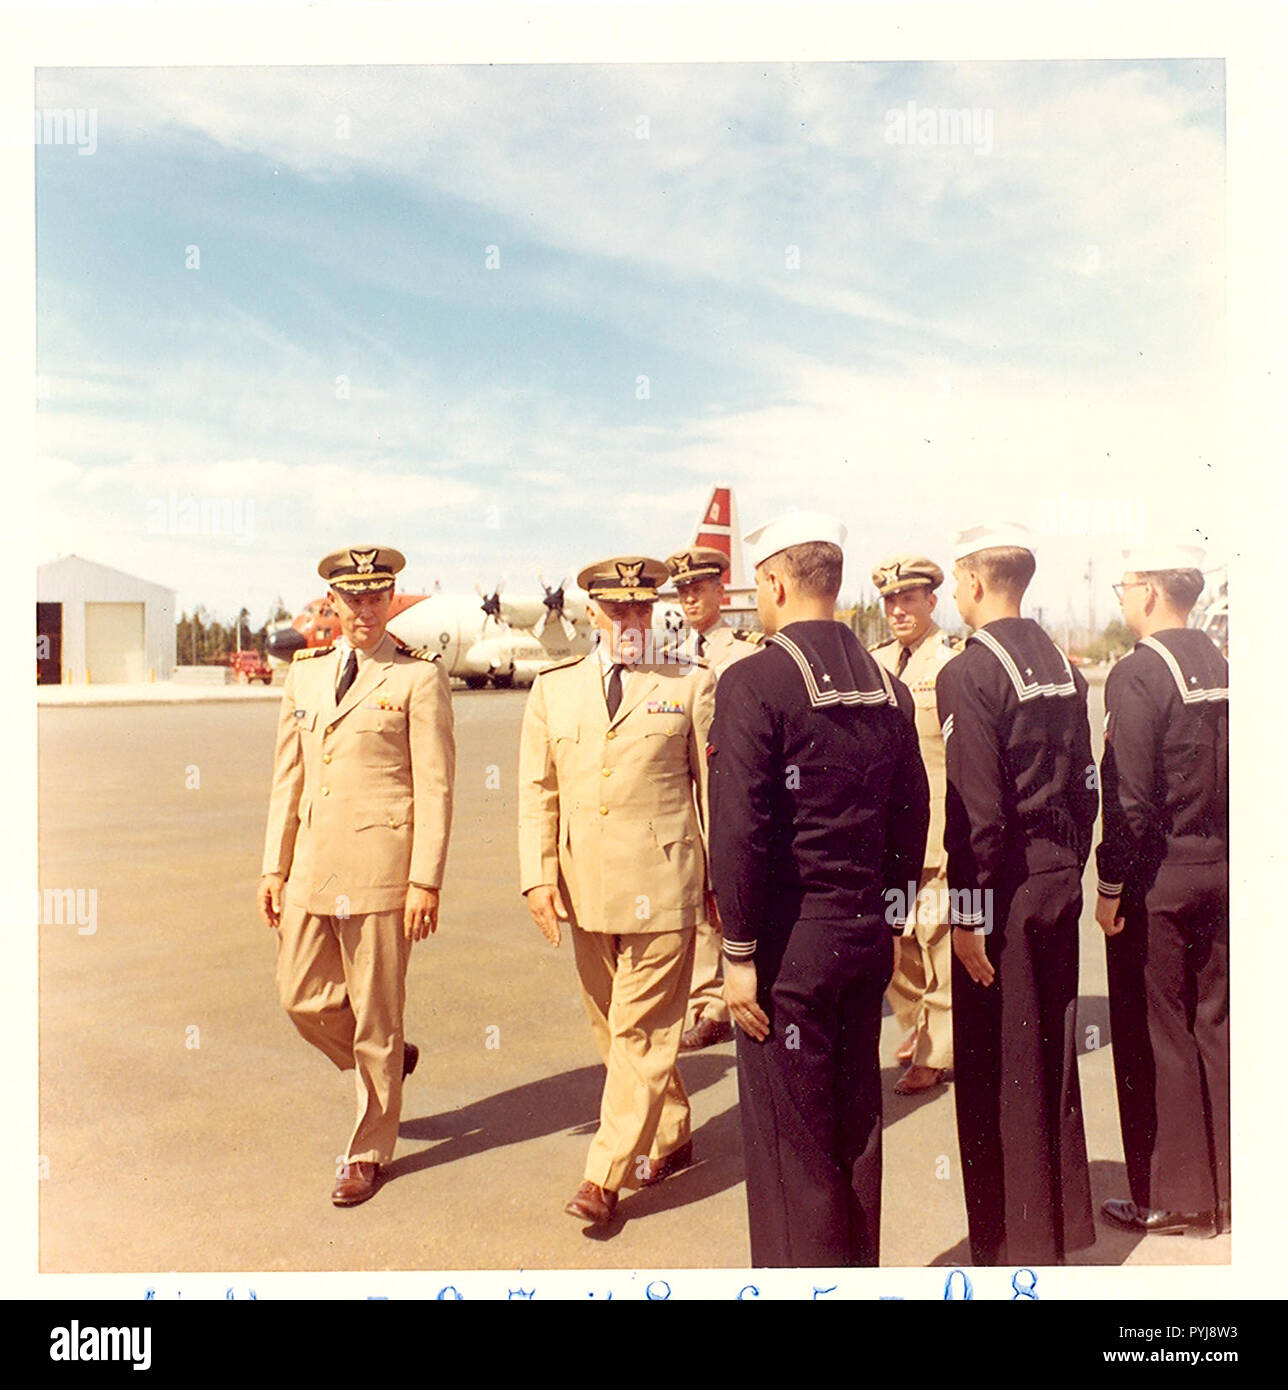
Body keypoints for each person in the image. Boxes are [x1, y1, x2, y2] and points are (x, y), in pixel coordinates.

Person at [708, 513, 929, 1267]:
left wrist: (738, 953)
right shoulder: (888, 687)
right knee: (855, 1132)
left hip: (787, 952)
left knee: (790, 1152)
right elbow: (913, 810)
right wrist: (894, 916)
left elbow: (739, 828)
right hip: (865, 939)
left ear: (772, 583)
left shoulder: (754, 682)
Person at [518, 555, 716, 1227]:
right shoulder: (553, 689)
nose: (632, 621)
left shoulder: (687, 685)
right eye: (618, 610)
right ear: (591, 614)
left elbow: (713, 796)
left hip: (664, 884)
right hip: (585, 889)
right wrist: (538, 877)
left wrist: (720, 886)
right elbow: (538, 793)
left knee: (639, 1029)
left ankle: (603, 1176)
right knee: (613, 1029)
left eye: (642, 609)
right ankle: (672, 1132)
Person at [258, 545, 455, 1207]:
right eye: (352, 598)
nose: (364, 610)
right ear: (334, 603)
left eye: (376, 597)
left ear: (390, 600)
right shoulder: (305, 675)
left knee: (376, 1013)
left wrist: (425, 880)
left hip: (381, 870)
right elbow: (288, 780)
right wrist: (273, 866)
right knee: (300, 996)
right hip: (313, 865)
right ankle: (391, 1062)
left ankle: (367, 1151)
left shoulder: (416, 678)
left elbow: (435, 785)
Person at [936, 522, 1097, 1266]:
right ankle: (1060, 1228)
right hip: (1058, 878)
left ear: (972, 581)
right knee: (1050, 1058)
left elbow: (978, 815)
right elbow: (1088, 784)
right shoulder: (1062, 663)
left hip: (1003, 894)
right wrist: (1072, 862)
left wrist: (966, 915)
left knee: (999, 1067)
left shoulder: (970, 672)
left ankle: (1010, 1243)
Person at [1094, 546, 1229, 1238]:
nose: (1120, 599)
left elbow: (1130, 801)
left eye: (1122, 587)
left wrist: (1111, 885)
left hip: (1161, 879)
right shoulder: (1222, 665)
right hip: (1220, 869)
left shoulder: (1139, 672)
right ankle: (1227, 1186)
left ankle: (1175, 1197)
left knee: (1160, 1036)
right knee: (1214, 1026)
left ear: (1148, 592)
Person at [663, 545, 763, 1053]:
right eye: (682, 591)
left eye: (698, 588)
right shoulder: (669, 655)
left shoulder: (746, 651)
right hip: (687, 782)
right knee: (700, 887)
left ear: (720, 591)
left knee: (735, 885)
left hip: (734, 781)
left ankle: (733, 992)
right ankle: (709, 1002)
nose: (689, 599)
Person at [870, 554, 961, 1095]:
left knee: (939, 942)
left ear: (932, 602)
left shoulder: (951, 662)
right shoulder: (875, 663)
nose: (899, 609)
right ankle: (917, 1024)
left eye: (909, 599)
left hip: (938, 830)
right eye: (890, 600)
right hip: (885, 833)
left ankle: (934, 1054)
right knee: (895, 946)